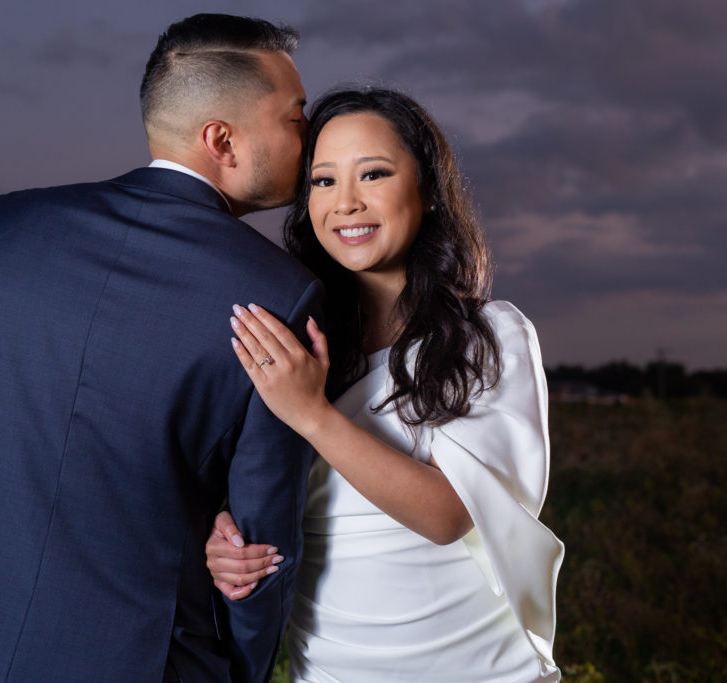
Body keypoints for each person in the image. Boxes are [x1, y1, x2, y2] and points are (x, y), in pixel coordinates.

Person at [0, 14, 324, 682]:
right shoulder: (280, 296)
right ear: (222, 139)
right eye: (297, 117)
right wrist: (240, 667)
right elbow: (260, 537)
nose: (310, 137)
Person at [206, 88, 564, 681]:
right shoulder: (296, 342)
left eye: (373, 174)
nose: (346, 203)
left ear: (425, 191)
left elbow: (448, 514)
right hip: (331, 668)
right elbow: (257, 488)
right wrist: (225, 539)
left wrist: (313, 414)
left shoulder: (490, 335)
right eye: (322, 182)